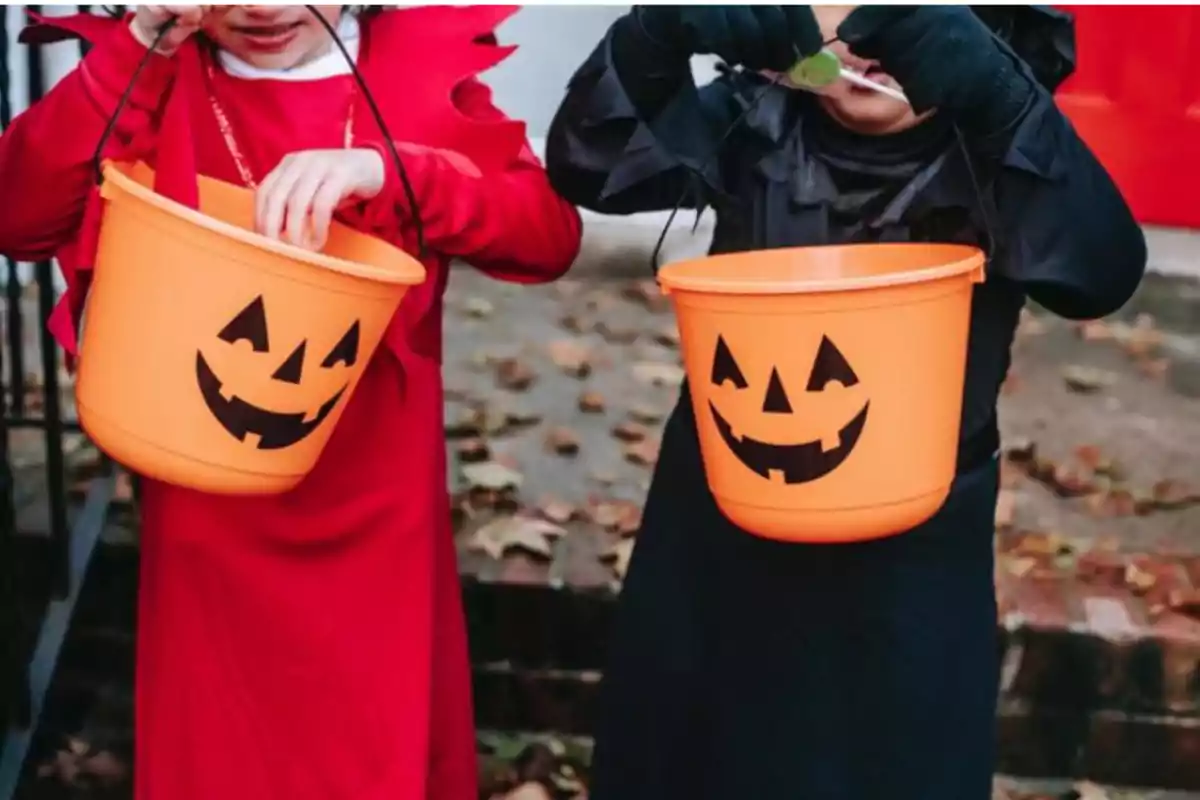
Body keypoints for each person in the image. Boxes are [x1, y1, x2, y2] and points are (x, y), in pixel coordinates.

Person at [546, 6, 1145, 800]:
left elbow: (1102, 269)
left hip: (911, 548)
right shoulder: (750, 117)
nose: (874, 43)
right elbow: (588, 163)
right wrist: (657, 32)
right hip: (722, 509)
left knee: (884, 762)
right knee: (692, 749)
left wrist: (1003, 99)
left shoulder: (1001, 146)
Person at [0, 5, 581, 799]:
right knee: (223, 749)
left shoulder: (408, 76)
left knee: (369, 743)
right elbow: (20, 215)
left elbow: (546, 235)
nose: (264, 6)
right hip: (208, 506)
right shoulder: (155, 72)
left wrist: (400, 172)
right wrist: (132, 53)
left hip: (375, 503)